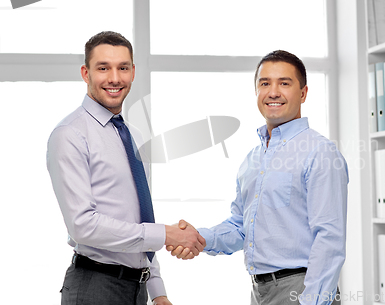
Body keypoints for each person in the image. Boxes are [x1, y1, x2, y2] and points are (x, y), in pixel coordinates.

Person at [169, 50, 348, 305]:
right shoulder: (252, 160)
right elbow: (241, 228)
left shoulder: (320, 152)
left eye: (284, 83)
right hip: (259, 292)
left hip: (302, 290)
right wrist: (199, 237)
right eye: (265, 83)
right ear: (256, 92)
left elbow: (329, 239)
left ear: (303, 93)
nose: (273, 92)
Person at [47, 31, 205, 305]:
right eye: (103, 68)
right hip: (95, 288)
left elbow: (138, 215)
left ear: (133, 72)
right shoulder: (70, 134)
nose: (115, 78)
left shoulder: (132, 135)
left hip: (137, 289)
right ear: (86, 73)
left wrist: (157, 289)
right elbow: (82, 225)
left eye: (123, 68)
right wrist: (166, 234)